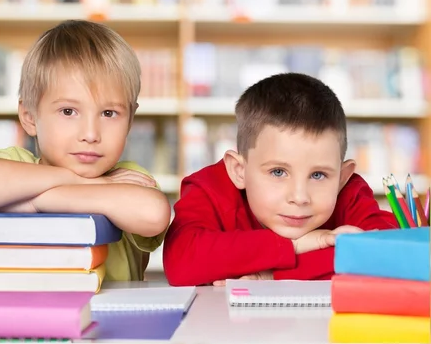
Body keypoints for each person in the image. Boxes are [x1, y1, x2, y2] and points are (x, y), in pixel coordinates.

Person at [0, 20, 171, 281]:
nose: (90, 134)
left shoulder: (127, 176)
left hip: (108, 320)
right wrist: (84, 183)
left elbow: (154, 214)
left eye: (109, 113)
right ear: (30, 117)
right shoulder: (15, 164)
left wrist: (35, 201)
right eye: (68, 111)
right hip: (23, 319)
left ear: (130, 121)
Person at [163, 73, 398, 285]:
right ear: (238, 170)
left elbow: (390, 255)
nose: (299, 197)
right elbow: (181, 263)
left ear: (342, 178)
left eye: (318, 175)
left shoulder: (350, 193)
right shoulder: (210, 187)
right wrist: (293, 247)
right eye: (278, 172)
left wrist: (273, 275)